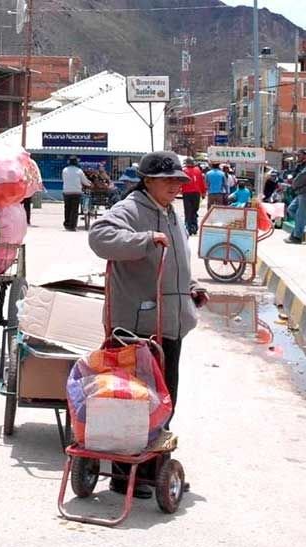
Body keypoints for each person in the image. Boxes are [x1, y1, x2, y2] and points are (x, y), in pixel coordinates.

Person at [89, 150, 209, 499]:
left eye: (178, 180)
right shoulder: (131, 209)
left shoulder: (168, 212)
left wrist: (191, 288)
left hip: (169, 323)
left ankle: (153, 468)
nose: (176, 186)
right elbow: (100, 237)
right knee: (134, 400)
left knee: (164, 399)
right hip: (137, 326)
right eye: (168, 180)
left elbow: (176, 265)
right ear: (149, 181)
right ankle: (127, 475)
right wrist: (142, 241)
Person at [61, 156, 92, 231]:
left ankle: (67, 224)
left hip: (66, 192)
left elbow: (63, 179)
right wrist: (90, 184)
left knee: (67, 208)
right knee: (74, 210)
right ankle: (72, 226)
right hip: (76, 192)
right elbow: (85, 182)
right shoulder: (79, 171)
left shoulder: (64, 170)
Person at [181, 157, 206, 235]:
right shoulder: (198, 170)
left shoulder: (183, 171)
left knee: (188, 211)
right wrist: (203, 193)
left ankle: (188, 227)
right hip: (196, 193)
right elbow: (201, 182)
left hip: (187, 193)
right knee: (194, 210)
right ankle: (194, 227)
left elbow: (181, 183)